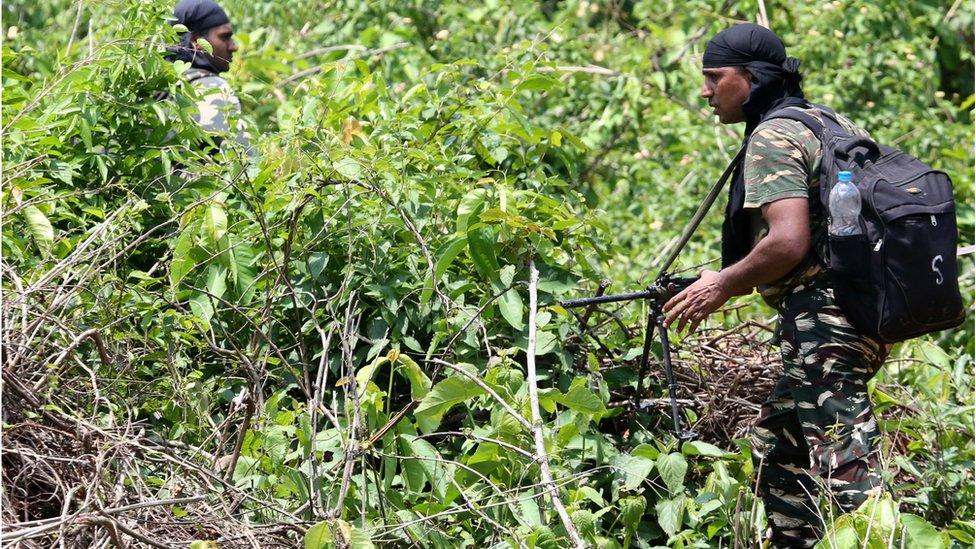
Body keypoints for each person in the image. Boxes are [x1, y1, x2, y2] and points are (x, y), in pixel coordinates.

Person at [661, 23, 887, 547]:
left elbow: (787, 243)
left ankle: (880, 539)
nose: (706, 90)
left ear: (752, 77)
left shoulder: (773, 136)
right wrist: (723, 279)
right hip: (865, 311)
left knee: (846, 463)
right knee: (776, 448)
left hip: (824, 322)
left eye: (715, 76)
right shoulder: (829, 123)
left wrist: (722, 284)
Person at [168, 0, 249, 150]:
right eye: (224, 37)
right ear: (196, 41)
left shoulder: (156, 86)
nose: (234, 46)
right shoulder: (212, 87)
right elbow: (243, 160)